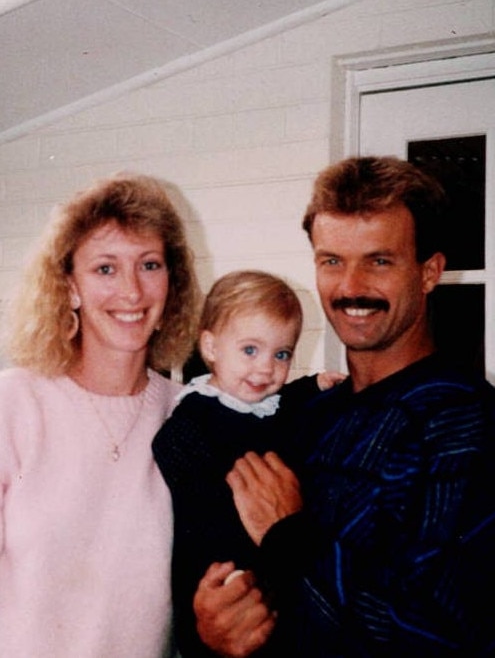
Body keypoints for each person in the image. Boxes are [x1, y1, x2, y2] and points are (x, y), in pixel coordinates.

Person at [192, 156, 495, 656]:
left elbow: (439, 630)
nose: (351, 287)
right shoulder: (307, 415)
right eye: (332, 261)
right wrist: (219, 628)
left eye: (379, 260)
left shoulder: (463, 425)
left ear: (429, 272)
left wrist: (289, 537)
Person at [0, 172, 201, 658]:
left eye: (149, 265)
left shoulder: (190, 416)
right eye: (105, 269)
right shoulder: (14, 404)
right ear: (70, 285)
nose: (131, 292)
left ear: (171, 281)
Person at [152, 269, 345, 657]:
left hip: (269, 562)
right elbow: (172, 455)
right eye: (250, 350)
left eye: (282, 354)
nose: (265, 368)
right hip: (216, 569)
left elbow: (289, 401)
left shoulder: (272, 405)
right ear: (210, 347)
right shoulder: (195, 416)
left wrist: (316, 384)